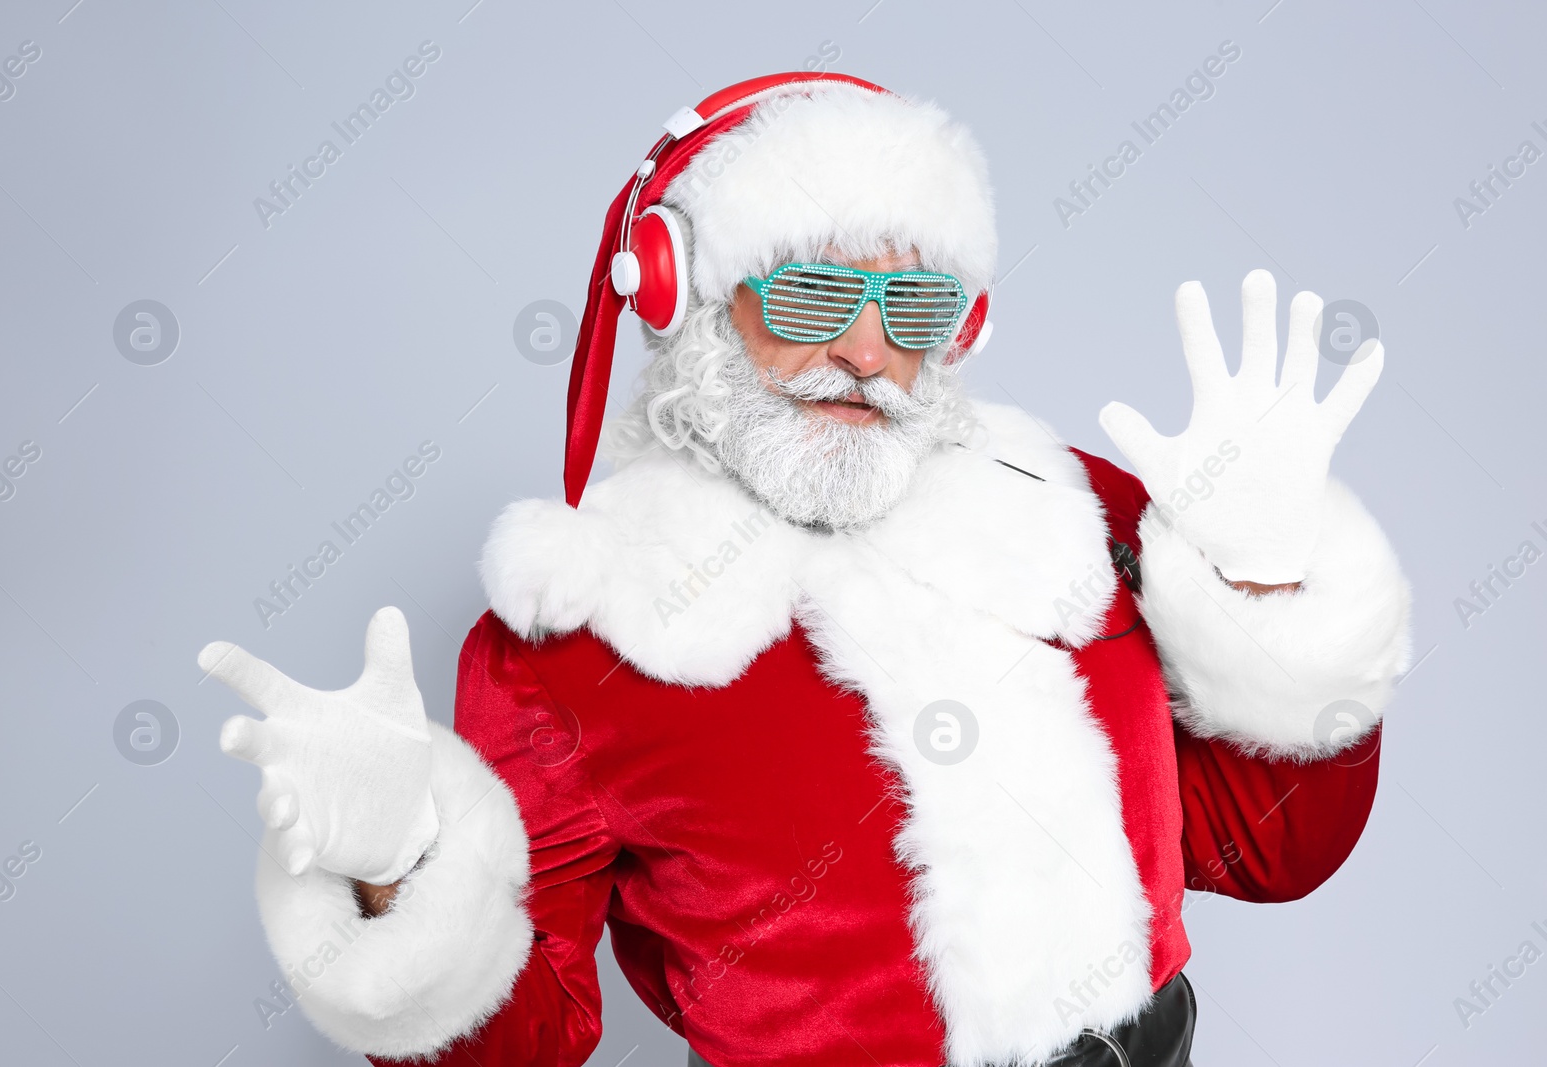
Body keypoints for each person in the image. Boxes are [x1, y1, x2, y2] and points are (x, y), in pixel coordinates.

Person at [199, 74, 1410, 1067]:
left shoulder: (1075, 511)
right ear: (688, 296)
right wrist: (393, 872)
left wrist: (1265, 588)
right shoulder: (565, 647)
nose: (868, 351)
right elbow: (526, 1042)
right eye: (816, 289)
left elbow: (1268, 853)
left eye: (914, 302)